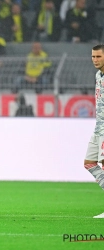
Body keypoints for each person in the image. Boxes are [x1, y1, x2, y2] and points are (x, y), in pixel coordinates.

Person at [84, 44, 104, 219]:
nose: (95, 60)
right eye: (93, 57)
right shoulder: (98, 75)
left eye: (98, 56)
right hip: (99, 127)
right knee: (89, 163)